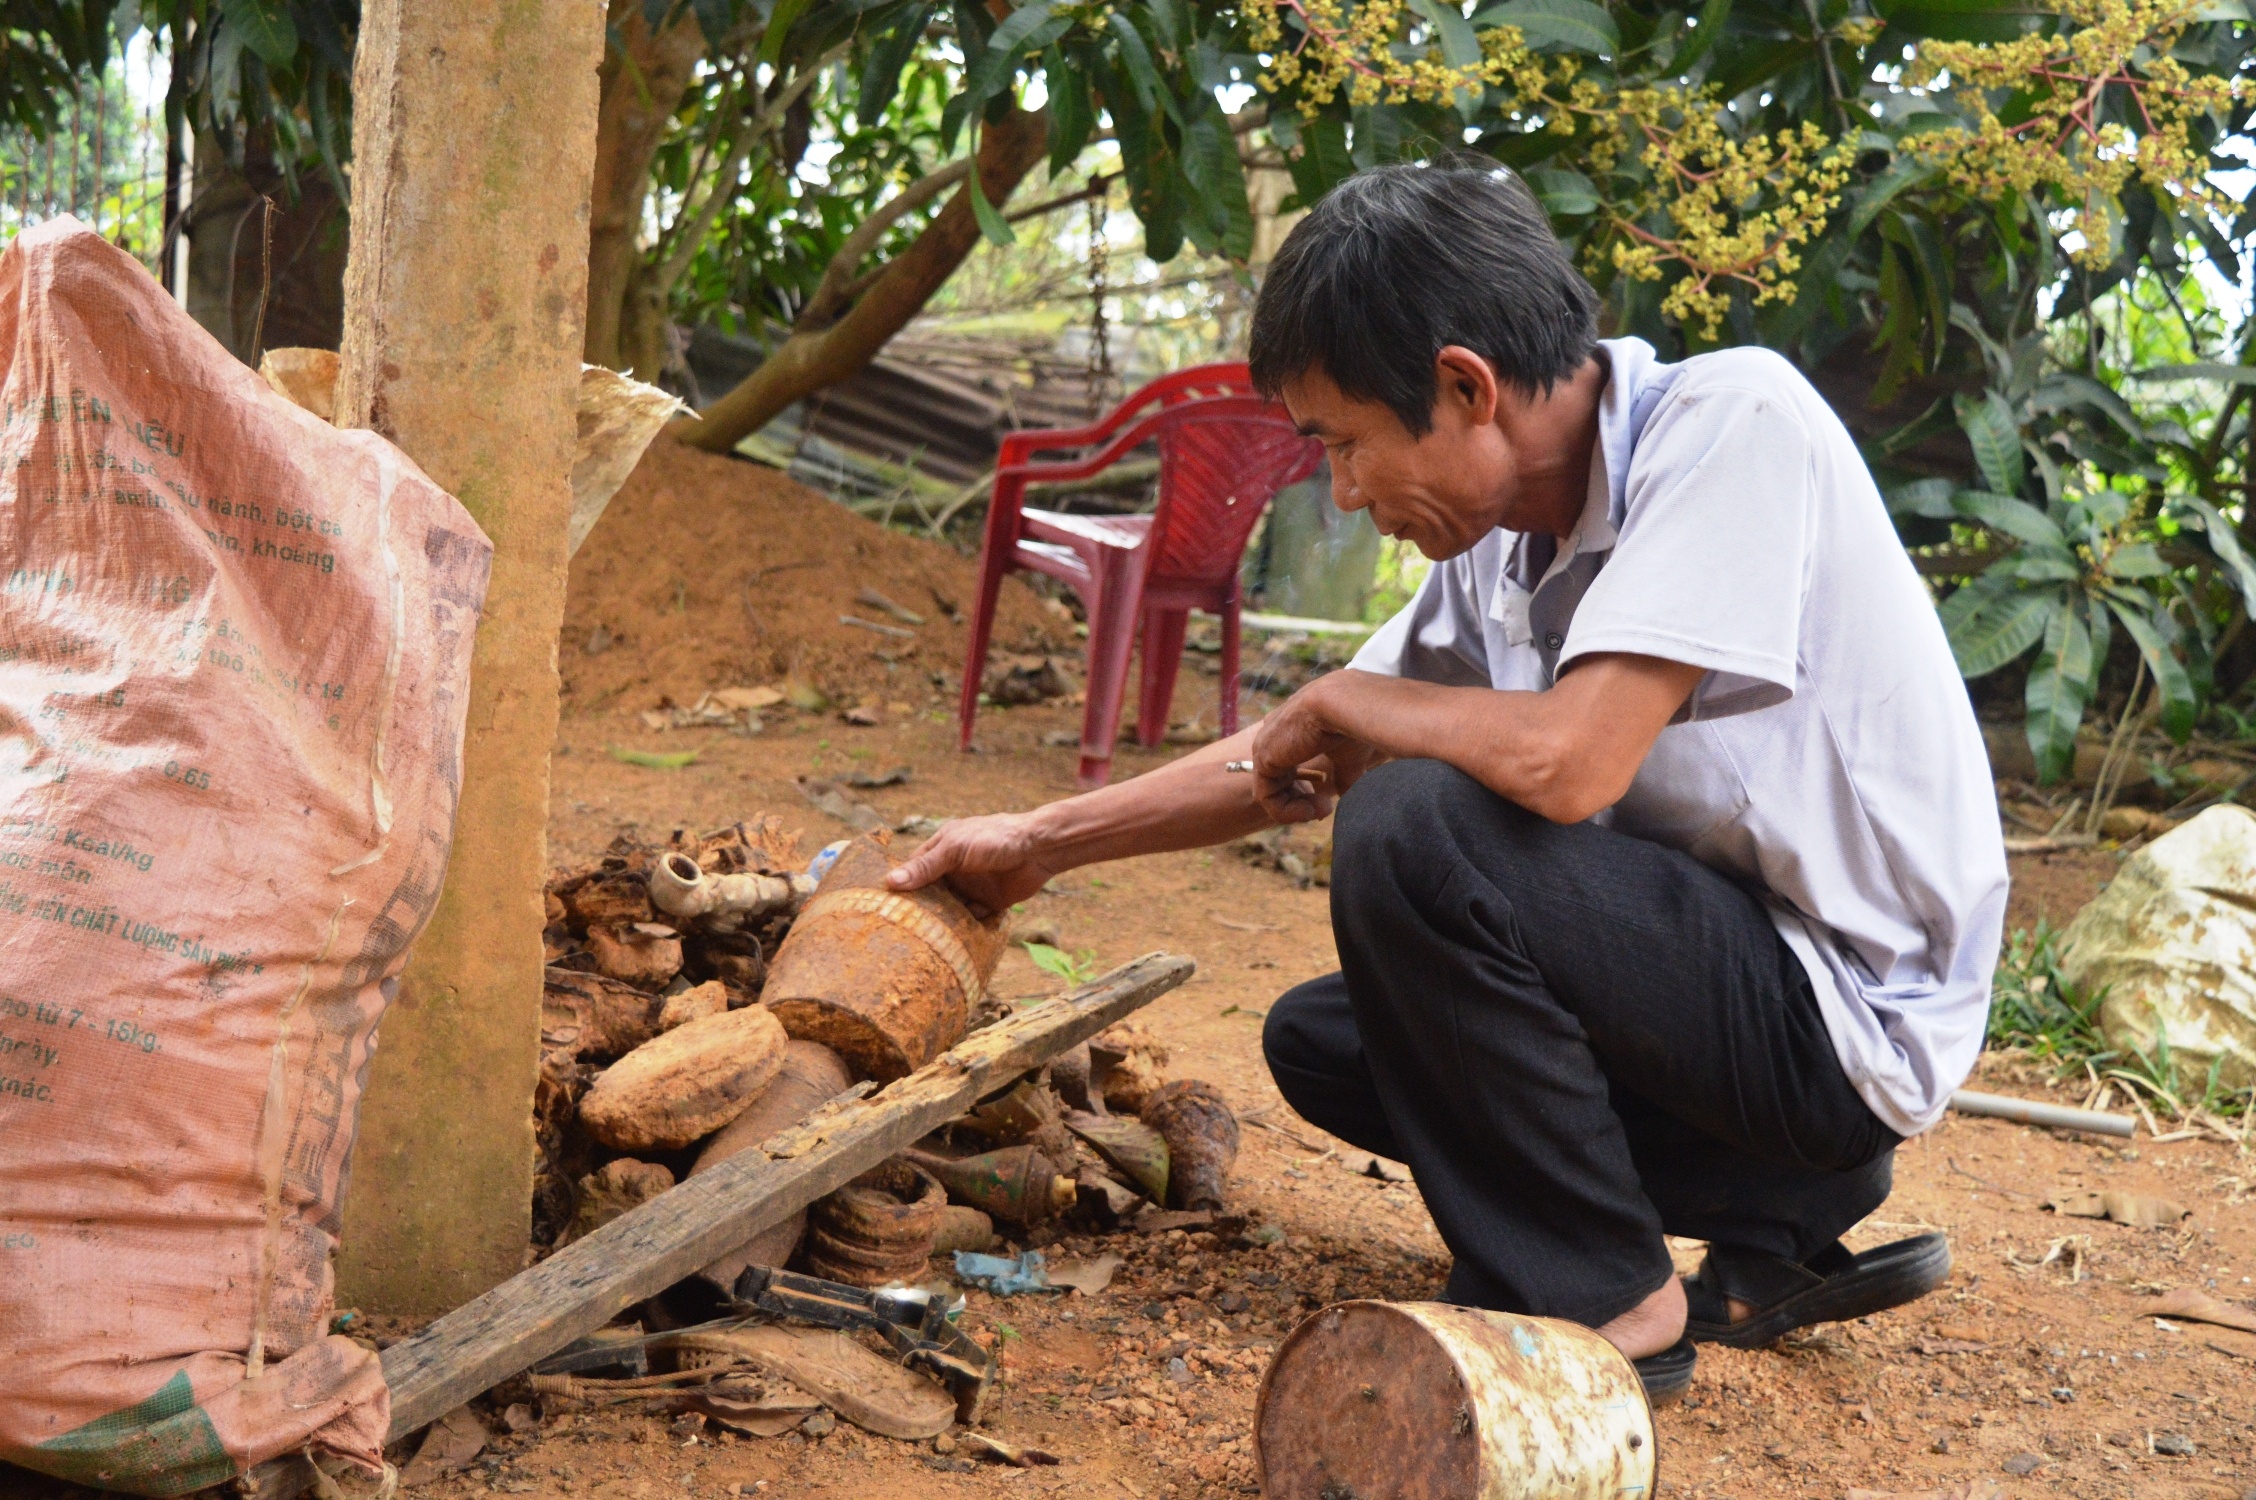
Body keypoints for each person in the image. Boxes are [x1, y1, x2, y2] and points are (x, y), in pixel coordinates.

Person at [886, 160, 2006, 1401]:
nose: (1345, 490)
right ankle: (1779, 1198)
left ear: (1467, 387)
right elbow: (1294, 752)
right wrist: (1040, 841)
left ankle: (1604, 1299)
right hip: (1728, 1019)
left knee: (1416, 826)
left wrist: (1358, 708)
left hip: (1840, 1018)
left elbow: (1571, 763)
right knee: (1330, 1043)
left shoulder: (1734, 423)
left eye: (1345, 444)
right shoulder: (1499, 545)